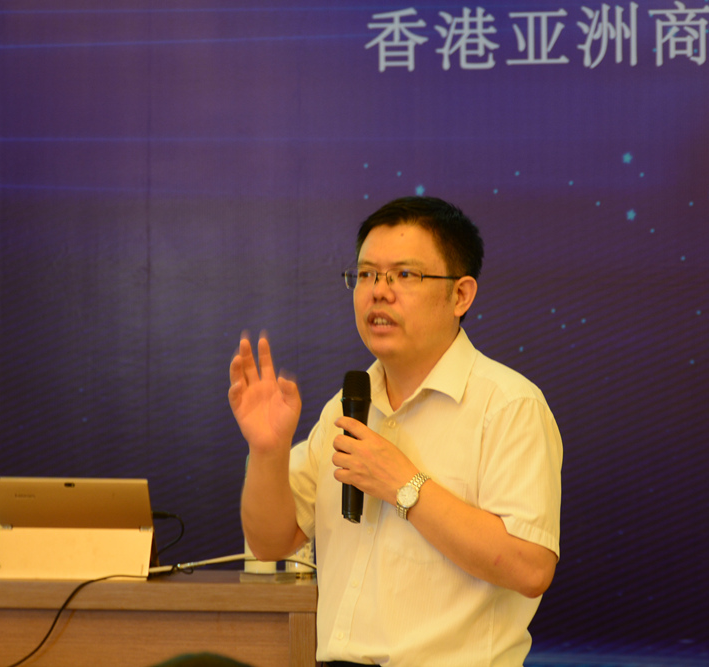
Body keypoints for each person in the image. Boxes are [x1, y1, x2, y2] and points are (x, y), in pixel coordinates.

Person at [229, 196, 562, 666]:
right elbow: (270, 542)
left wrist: (406, 486)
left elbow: (531, 568)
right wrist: (267, 451)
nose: (378, 292)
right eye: (366, 274)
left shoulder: (508, 405)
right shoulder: (344, 408)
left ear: (461, 295)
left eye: (404, 275)